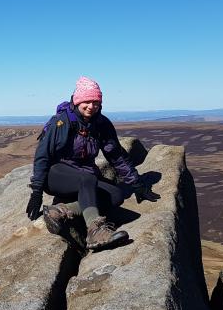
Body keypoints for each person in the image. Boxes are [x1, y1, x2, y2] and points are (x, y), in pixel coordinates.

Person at [26, 76, 150, 250]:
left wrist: (136, 183)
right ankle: (94, 231)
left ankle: (59, 211)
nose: (91, 106)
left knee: (116, 195)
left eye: (96, 102)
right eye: (87, 101)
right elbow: (42, 157)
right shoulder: (61, 122)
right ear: (77, 101)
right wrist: (36, 193)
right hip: (57, 175)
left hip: (84, 178)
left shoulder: (101, 124)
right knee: (88, 178)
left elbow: (116, 156)